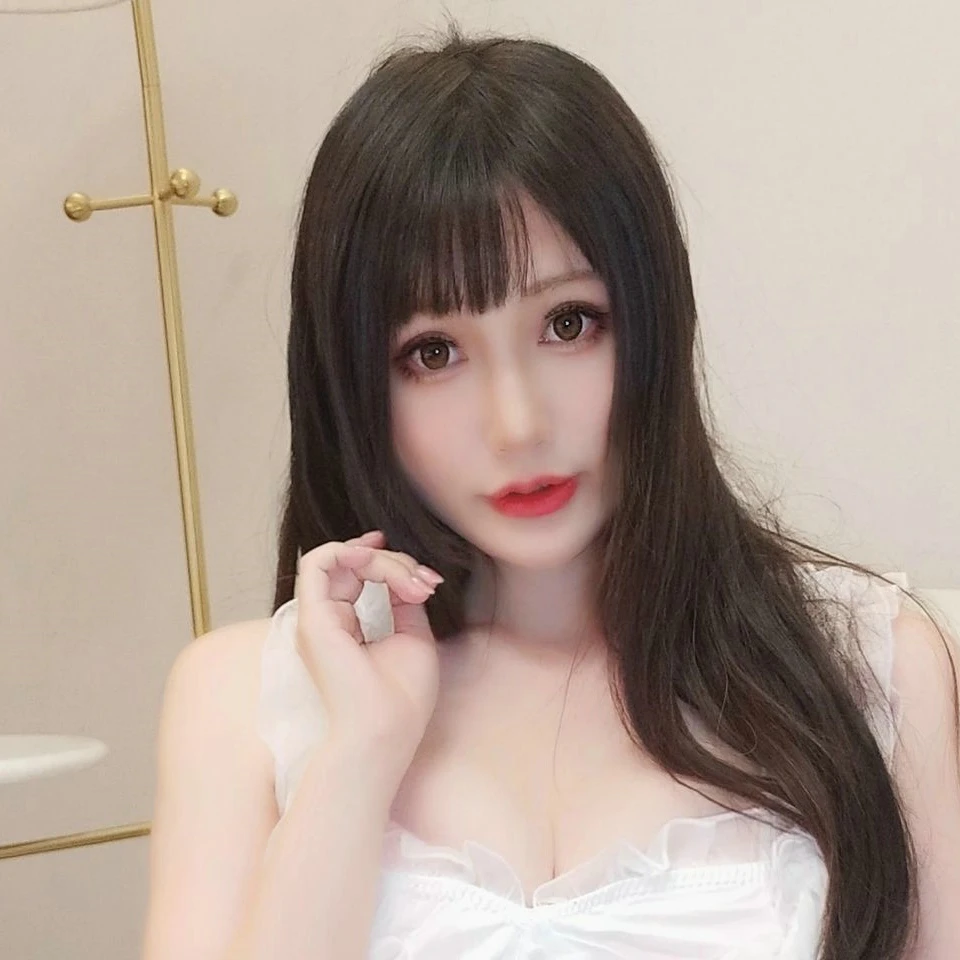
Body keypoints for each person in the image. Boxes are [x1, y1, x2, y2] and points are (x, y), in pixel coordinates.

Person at [140, 23, 960, 960]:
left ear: (654, 321)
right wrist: (357, 758)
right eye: (433, 352)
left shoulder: (869, 666)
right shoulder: (243, 699)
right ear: (354, 381)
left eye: (569, 324)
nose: (517, 422)